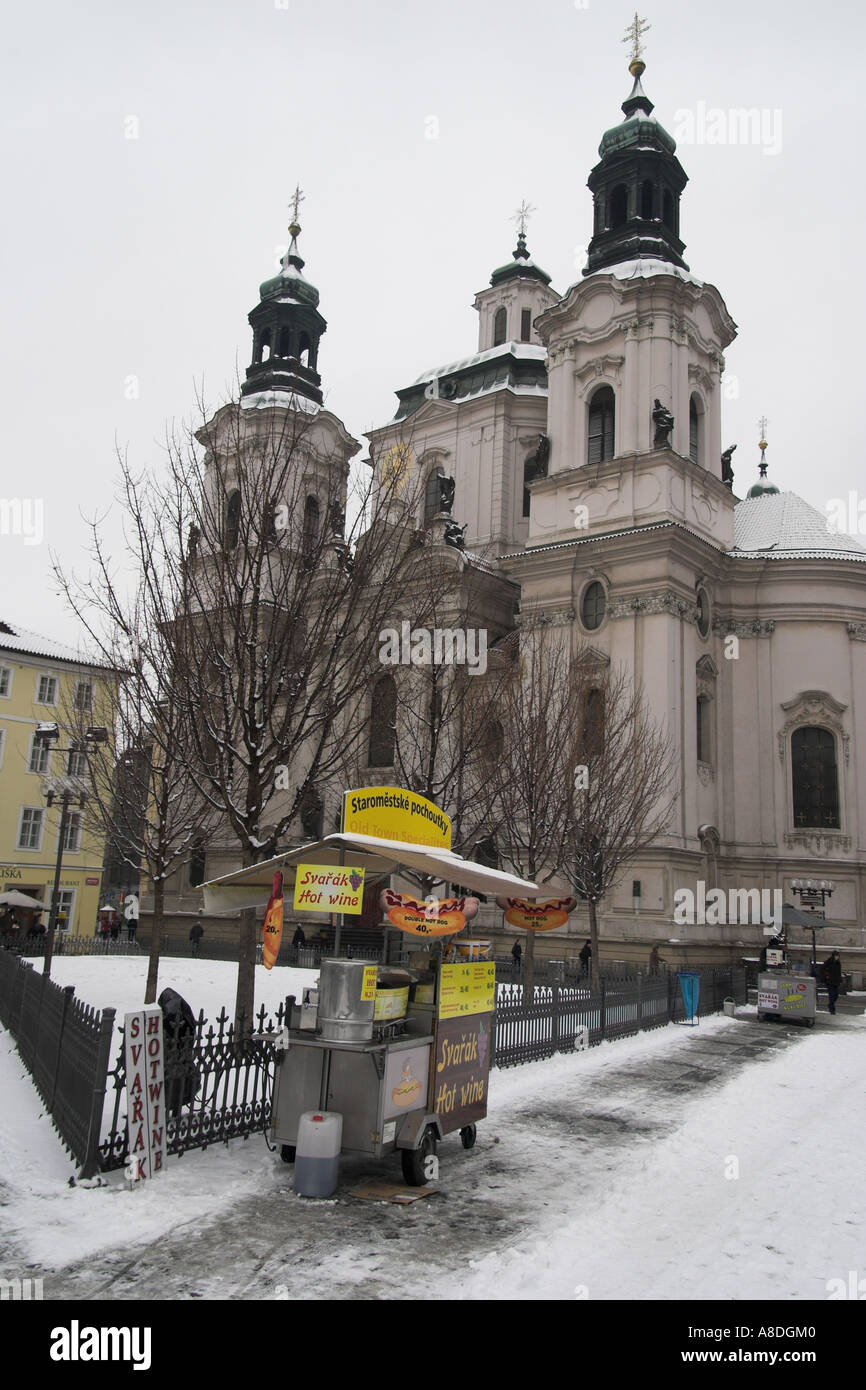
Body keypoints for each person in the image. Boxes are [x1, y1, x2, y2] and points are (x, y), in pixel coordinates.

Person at [824, 950, 843, 1016]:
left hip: (836, 982)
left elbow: (839, 972)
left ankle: (830, 1005)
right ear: (833, 956)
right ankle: (832, 1010)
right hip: (830, 982)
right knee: (831, 996)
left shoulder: (838, 963)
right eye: (836, 956)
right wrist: (826, 976)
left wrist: (840, 979)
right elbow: (822, 969)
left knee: (836, 995)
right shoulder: (829, 962)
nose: (837, 957)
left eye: (838, 956)